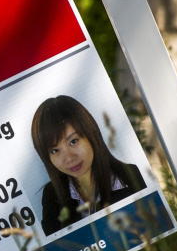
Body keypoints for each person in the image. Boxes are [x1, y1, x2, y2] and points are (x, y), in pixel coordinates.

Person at [31, 94, 146, 237]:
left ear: (91, 134)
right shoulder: (51, 196)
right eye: (55, 150)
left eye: (73, 141)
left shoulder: (130, 176)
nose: (68, 158)